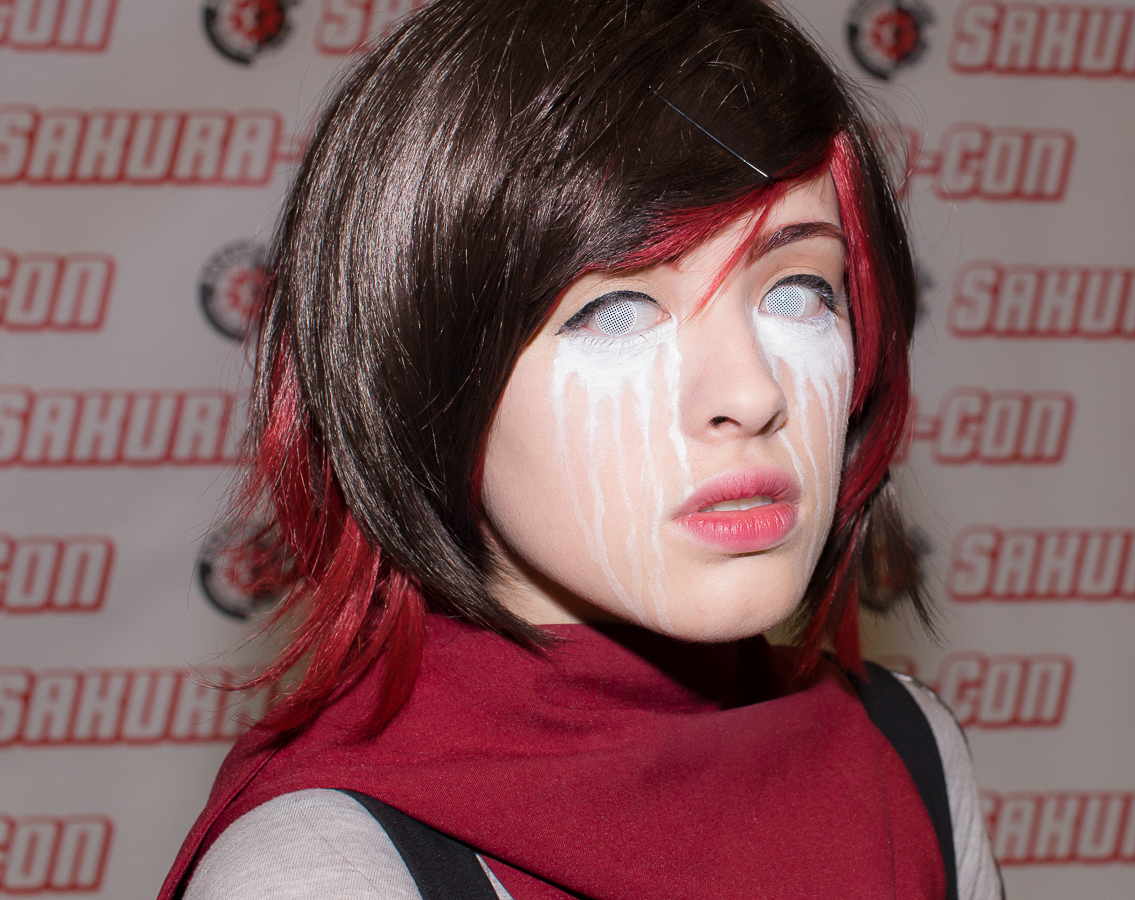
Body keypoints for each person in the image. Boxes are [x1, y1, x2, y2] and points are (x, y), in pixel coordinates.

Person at [160, 0, 1002, 898]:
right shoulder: (323, 871)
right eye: (617, 310)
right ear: (419, 381)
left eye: (797, 291)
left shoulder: (911, 757)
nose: (754, 393)